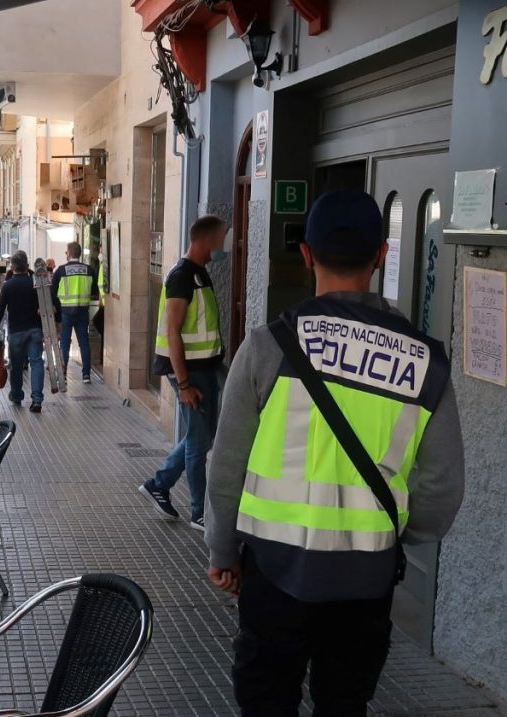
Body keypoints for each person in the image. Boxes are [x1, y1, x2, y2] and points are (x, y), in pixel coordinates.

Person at [205, 190, 464, 717]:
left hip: (274, 574)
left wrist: (223, 550)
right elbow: (442, 486)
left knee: (266, 703)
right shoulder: (424, 362)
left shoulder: (269, 344)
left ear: (305, 255)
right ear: (382, 255)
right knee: (344, 704)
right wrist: (395, 534)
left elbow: (226, 463)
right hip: (365, 580)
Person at [138, 216, 226, 530]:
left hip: (204, 368)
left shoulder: (199, 273)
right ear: (207, 240)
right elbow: (173, 331)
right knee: (199, 442)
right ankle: (199, 512)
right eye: (223, 237)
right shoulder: (182, 276)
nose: (225, 244)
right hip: (190, 373)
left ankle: (159, 484)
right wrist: (184, 383)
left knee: (199, 437)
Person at [0, 251, 43, 412]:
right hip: (35, 330)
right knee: (37, 362)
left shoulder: (8, 285)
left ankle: (17, 395)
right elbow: (47, 303)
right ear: (27, 265)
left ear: (12, 267)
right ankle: (37, 400)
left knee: (16, 366)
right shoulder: (34, 283)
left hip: (16, 332)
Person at [51, 241, 98, 384]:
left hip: (65, 313)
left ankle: (63, 375)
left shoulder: (60, 271)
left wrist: (56, 313)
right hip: (83, 312)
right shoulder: (89, 270)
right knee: (84, 343)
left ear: (69, 253)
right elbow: (94, 292)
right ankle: (86, 376)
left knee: (64, 344)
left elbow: (52, 293)